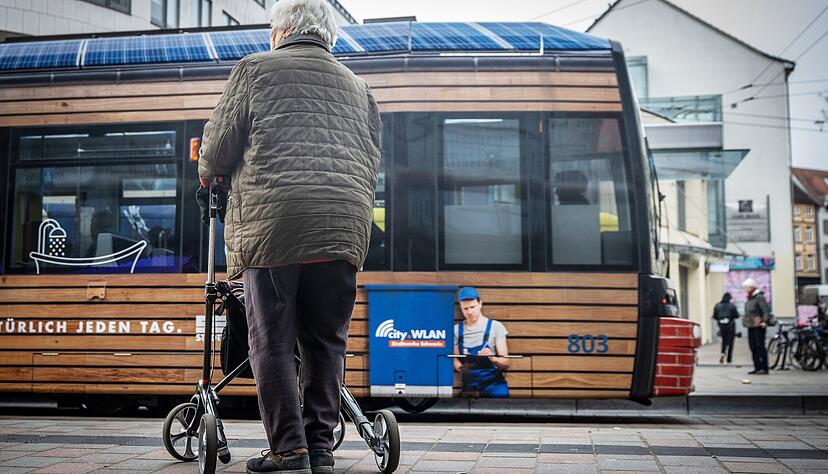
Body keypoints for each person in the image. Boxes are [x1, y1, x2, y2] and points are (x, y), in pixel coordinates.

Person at [197, 0, 381, 472]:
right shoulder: (359, 87)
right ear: (327, 35)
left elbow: (216, 151)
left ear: (281, 30)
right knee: (326, 342)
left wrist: (211, 176)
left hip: (274, 227)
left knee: (272, 341)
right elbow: (371, 162)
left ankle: (290, 451)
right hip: (343, 229)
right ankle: (320, 448)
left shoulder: (254, 69)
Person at [453, 287, 511, 397]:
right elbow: (455, 360)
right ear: (460, 308)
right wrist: (462, 368)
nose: (470, 312)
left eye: (473, 307)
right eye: (465, 309)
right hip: (470, 385)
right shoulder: (456, 330)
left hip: (494, 384)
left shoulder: (496, 327)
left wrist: (492, 358)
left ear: (480, 304)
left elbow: (506, 363)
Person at [742, 278, 770, 375]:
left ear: (752, 287)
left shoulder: (759, 297)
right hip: (751, 325)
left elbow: (765, 309)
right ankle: (757, 367)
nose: (746, 289)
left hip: (759, 325)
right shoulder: (750, 298)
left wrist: (765, 321)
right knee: (753, 346)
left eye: (747, 287)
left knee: (760, 346)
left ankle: (764, 367)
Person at [712, 293, 740, 364]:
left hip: (722, 326)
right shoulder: (732, 306)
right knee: (731, 342)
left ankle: (723, 352)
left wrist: (720, 319)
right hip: (731, 326)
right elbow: (737, 315)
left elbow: (714, 316)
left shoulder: (717, 305)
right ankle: (729, 359)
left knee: (724, 341)